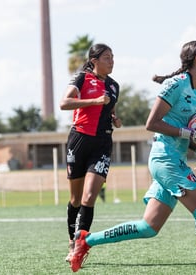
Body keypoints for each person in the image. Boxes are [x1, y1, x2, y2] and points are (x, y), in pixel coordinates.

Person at [70, 41, 196, 275]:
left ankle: (86, 239)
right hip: (164, 159)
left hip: (176, 159)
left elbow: (190, 135)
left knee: (149, 227)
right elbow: (152, 124)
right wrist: (189, 134)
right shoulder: (175, 85)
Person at [60, 43, 122, 262]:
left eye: (113, 57)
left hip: (102, 143)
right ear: (94, 60)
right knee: (76, 198)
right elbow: (64, 103)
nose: (112, 61)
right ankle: (71, 239)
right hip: (79, 141)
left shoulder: (114, 85)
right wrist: (93, 101)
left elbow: (109, 108)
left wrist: (114, 117)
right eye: (107, 57)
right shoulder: (82, 78)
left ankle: (80, 247)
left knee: (89, 196)